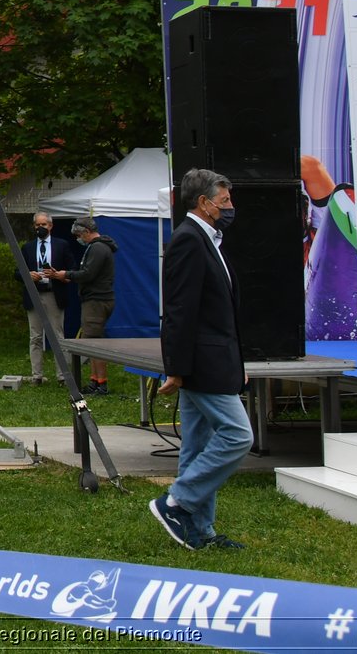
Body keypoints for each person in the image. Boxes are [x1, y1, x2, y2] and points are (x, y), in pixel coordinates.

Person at [150, 168, 252, 551]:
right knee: (238, 435)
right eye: (224, 202)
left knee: (196, 445)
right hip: (202, 365)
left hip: (212, 361)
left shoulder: (208, 240)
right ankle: (176, 502)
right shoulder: (189, 240)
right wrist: (176, 367)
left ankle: (200, 531)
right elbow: (179, 309)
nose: (230, 207)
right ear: (203, 203)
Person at [52, 216, 118, 395]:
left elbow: (88, 274)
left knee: (93, 344)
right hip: (97, 300)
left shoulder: (97, 248)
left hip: (96, 301)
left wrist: (66, 275)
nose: (77, 239)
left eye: (79, 235)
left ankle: (100, 384)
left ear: (87, 232)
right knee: (92, 341)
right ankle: (95, 381)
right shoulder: (98, 247)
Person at [19, 211, 74, 385]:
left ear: (50, 226)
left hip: (53, 293)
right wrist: (28, 274)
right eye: (37, 225)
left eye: (43, 225)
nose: (40, 228)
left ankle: (62, 375)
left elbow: (71, 270)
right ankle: (37, 375)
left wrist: (58, 275)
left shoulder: (61, 245)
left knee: (58, 336)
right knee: (35, 336)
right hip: (34, 293)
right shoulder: (28, 247)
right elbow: (17, 272)